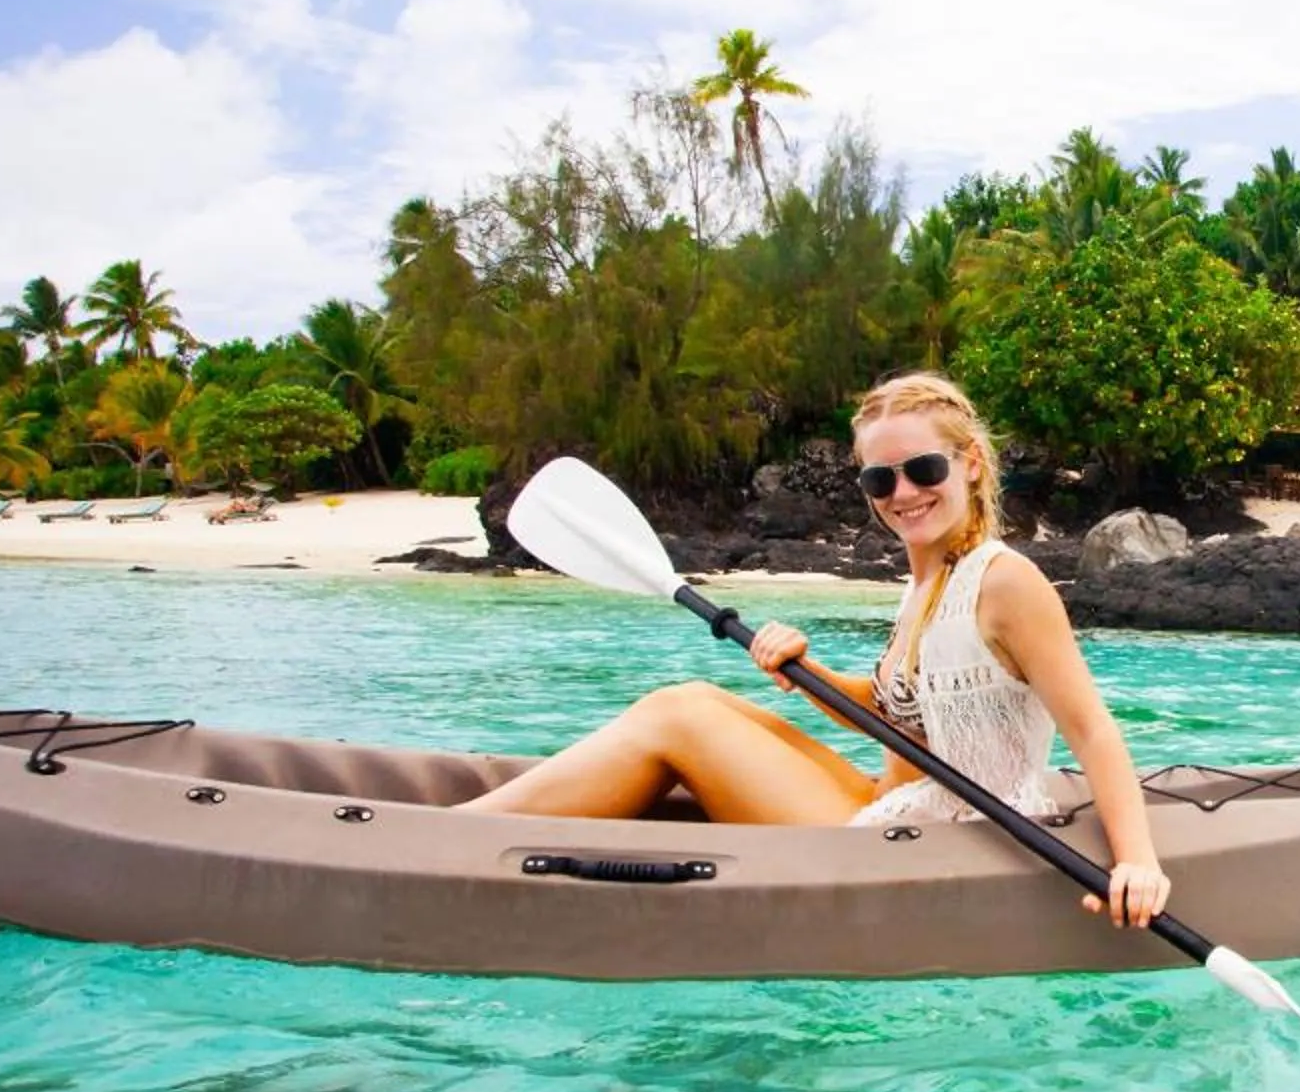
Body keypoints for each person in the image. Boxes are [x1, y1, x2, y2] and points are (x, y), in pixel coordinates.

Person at [459, 372, 1175, 930]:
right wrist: (804, 672)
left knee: (679, 718)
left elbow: (1091, 728)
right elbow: (897, 715)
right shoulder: (926, 578)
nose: (902, 493)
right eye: (878, 479)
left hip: (938, 828)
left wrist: (1137, 861)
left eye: (923, 469)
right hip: (894, 797)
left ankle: (454, 841)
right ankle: (465, 828)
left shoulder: (1003, 580)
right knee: (693, 699)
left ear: (972, 465)